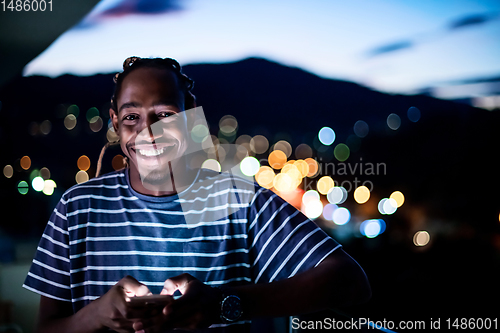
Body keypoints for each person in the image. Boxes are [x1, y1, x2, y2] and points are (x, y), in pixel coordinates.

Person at [23, 57, 371, 333]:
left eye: (164, 115)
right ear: (115, 122)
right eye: (132, 117)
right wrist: (96, 315)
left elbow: (350, 281)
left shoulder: (238, 201)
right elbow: (46, 328)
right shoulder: (77, 208)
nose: (149, 133)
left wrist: (222, 303)